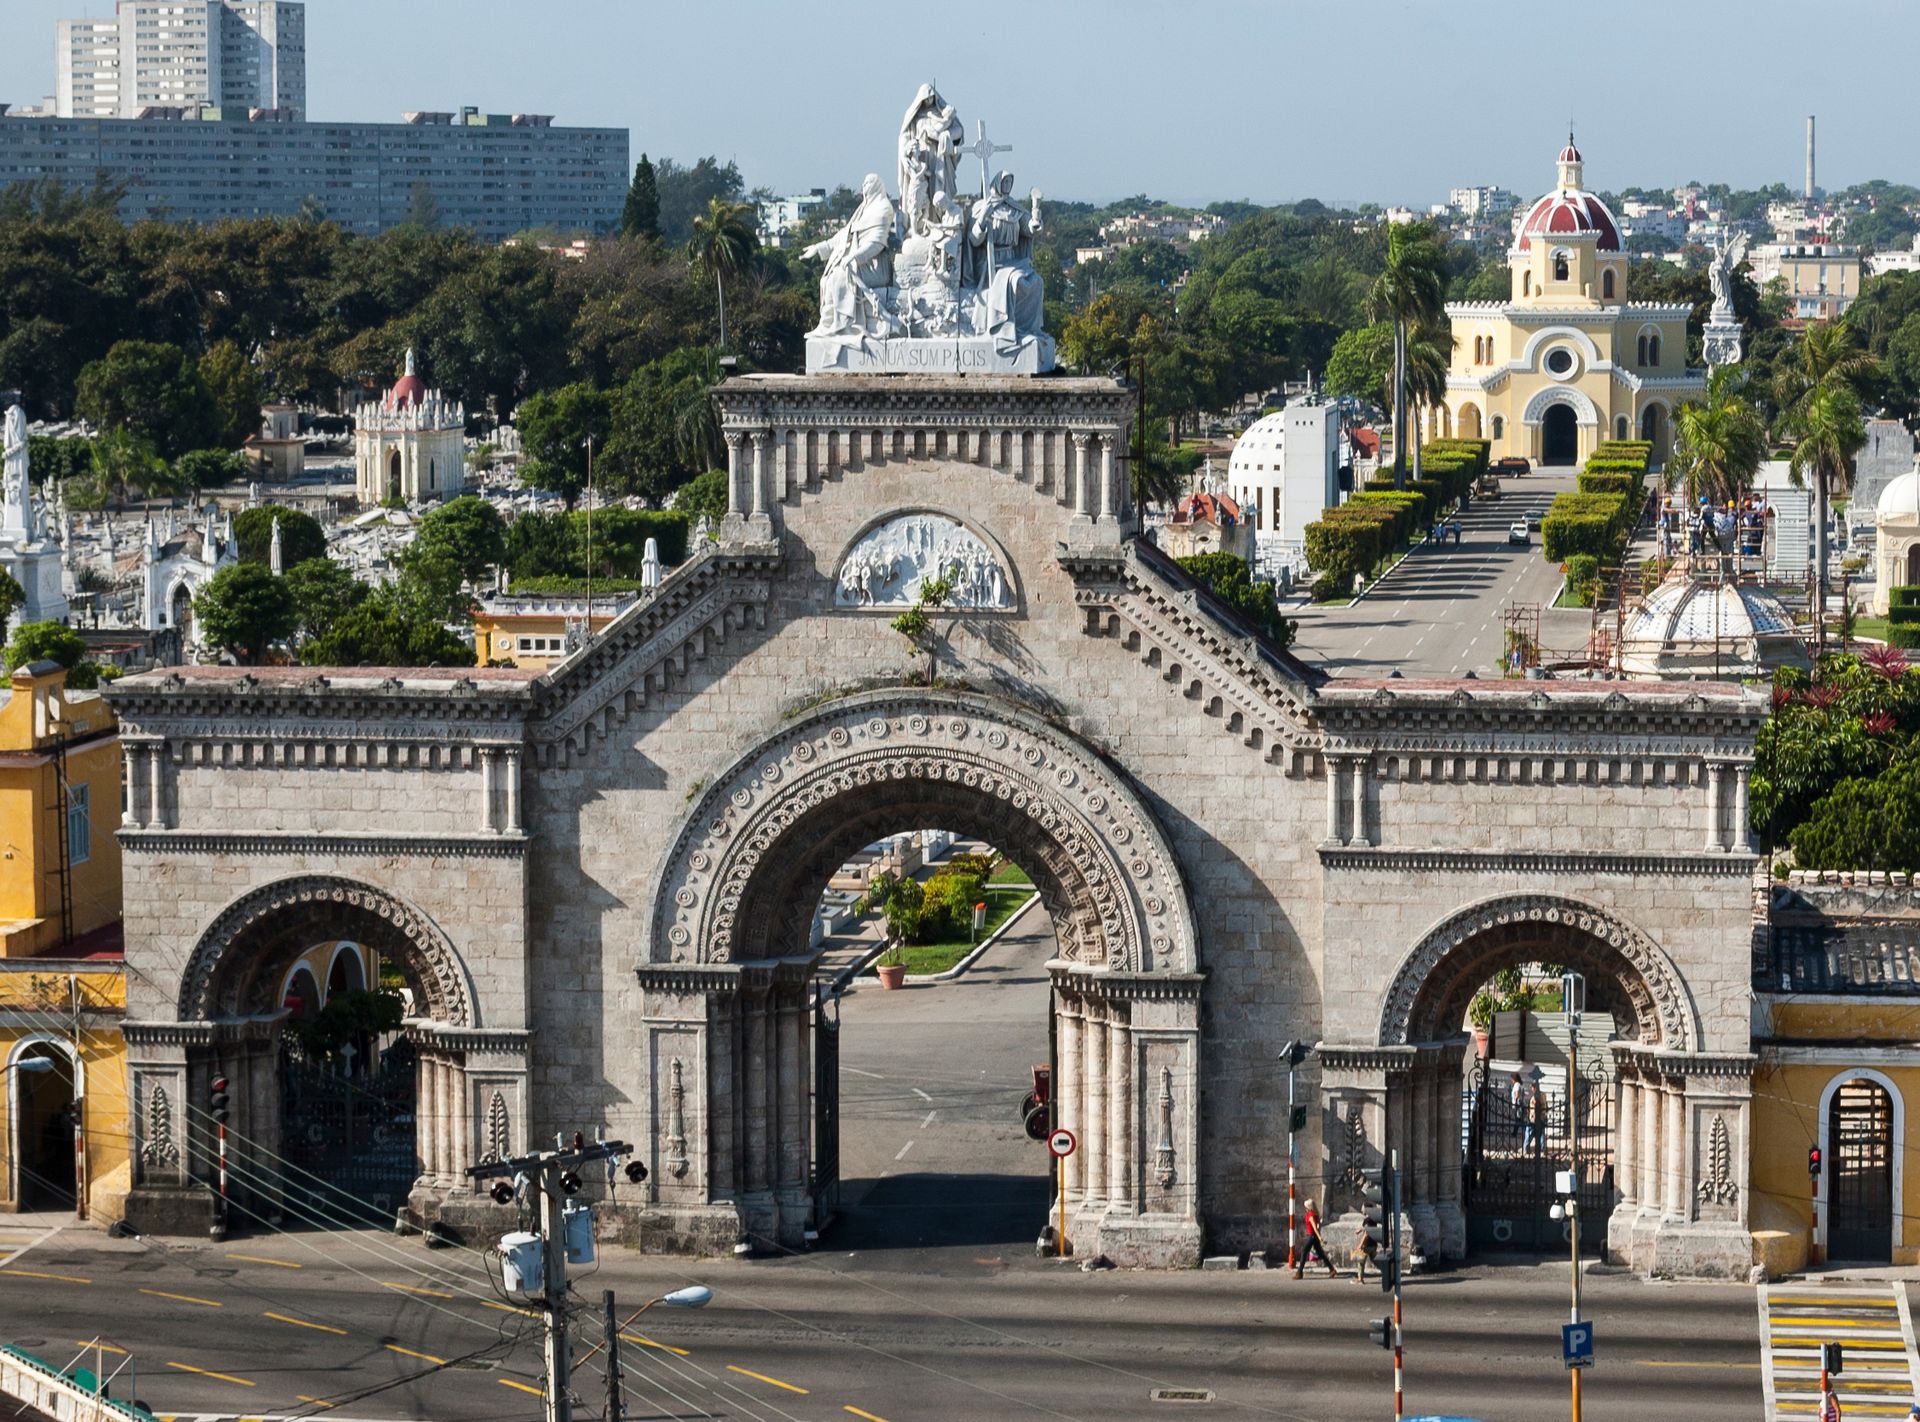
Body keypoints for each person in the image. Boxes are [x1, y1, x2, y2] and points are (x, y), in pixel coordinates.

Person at [1294, 1197, 1337, 1279]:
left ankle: (1299, 1272)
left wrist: (1320, 1238)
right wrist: (1318, 1236)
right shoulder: (1315, 1214)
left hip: (1312, 1236)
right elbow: (1318, 1226)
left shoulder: (1310, 1215)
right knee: (1321, 1254)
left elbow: (1314, 1228)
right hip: (1314, 1236)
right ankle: (1332, 1269)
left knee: (1304, 1252)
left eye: (1306, 1207)